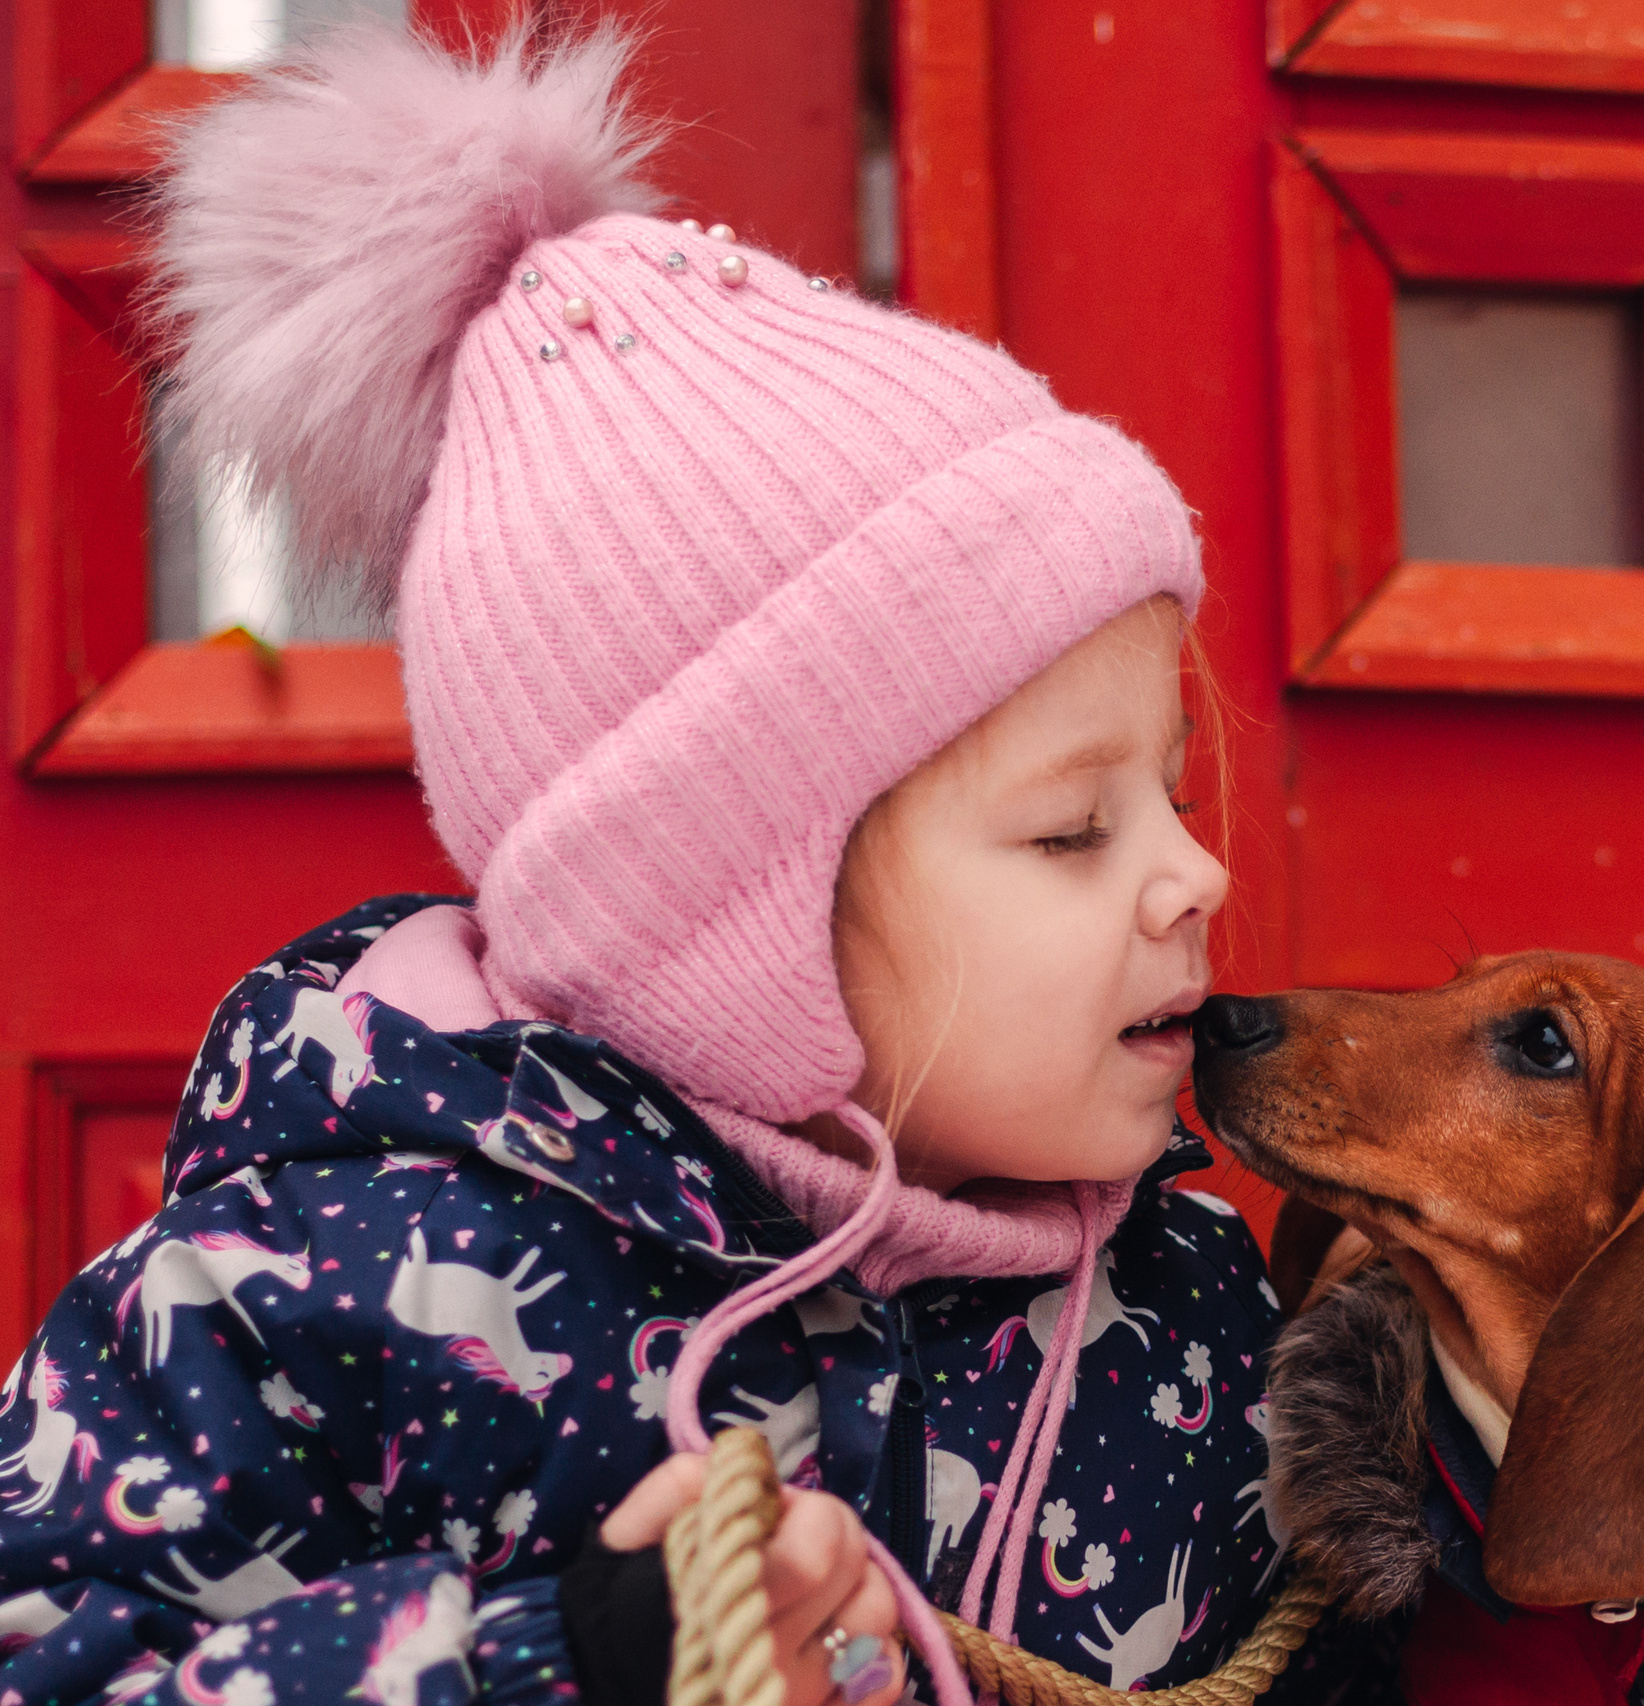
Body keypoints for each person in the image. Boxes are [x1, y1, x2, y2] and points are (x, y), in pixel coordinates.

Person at [0, 24, 1284, 1706]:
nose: (1195, 876)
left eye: (1175, 798)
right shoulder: (326, 1293)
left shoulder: (1190, 1319)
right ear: (726, 927)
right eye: (1070, 828)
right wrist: (577, 1662)